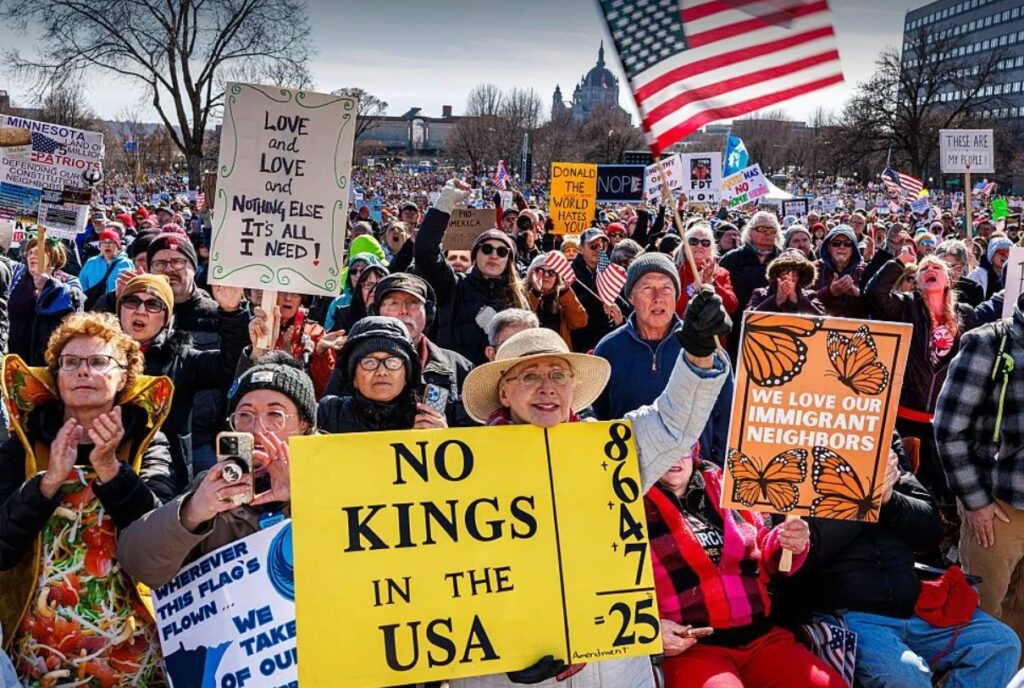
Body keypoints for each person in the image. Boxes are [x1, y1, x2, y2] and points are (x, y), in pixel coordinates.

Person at [450, 287, 730, 688]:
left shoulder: (608, 451)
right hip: (505, 675)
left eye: (558, 375)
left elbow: (671, 424)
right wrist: (502, 645)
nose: (548, 387)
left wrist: (699, 354)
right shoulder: (460, 471)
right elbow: (444, 576)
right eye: (530, 375)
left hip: (613, 671)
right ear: (504, 390)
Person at [0, 312, 176, 685]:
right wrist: (47, 484)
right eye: (70, 363)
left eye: (99, 361)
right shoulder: (23, 445)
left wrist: (111, 469)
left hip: (131, 651)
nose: (83, 371)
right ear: (56, 376)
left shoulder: (148, 442)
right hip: (36, 652)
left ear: (124, 376)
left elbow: (163, 543)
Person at [774, 445, 1020, 688]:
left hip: (913, 607)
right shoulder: (790, 447)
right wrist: (865, 500)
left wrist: (890, 500)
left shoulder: (880, 440)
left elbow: (930, 531)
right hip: (847, 615)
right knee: (908, 675)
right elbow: (803, 553)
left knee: (1000, 643)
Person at [648, 444, 845, 688]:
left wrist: (790, 541)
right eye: (665, 448)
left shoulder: (729, 486)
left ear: (695, 448)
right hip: (694, 648)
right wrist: (651, 628)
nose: (675, 457)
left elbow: (766, 549)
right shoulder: (629, 506)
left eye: (684, 447)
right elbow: (615, 585)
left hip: (761, 637)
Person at [116, 353, 316, 587]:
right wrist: (191, 512)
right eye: (245, 415)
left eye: (275, 415)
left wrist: (304, 500)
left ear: (304, 423)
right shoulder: (213, 485)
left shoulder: (338, 477)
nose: (257, 428)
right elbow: (140, 566)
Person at [935, 300, 1024, 652]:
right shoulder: (990, 342)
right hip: (997, 509)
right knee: (981, 623)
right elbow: (948, 429)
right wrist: (975, 503)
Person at [865, 233, 977, 505]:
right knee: (912, 480)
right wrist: (899, 262)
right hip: (907, 413)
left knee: (945, 482)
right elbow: (873, 294)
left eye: (937, 267)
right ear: (916, 282)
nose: (930, 270)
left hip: (945, 416)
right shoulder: (906, 307)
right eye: (924, 268)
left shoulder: (966, 315)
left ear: (949, 280)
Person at [595, 253, 734, 466]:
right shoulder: (609, 349)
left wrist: (716, 469)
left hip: (691, 477)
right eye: (647, 288)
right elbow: (599, 418)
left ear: (677, 295)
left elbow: (725, 416)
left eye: (666, 288)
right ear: (631, 296)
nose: (658, 297)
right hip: (631, 477)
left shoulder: (703, 346)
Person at [118, 274, 249, 492]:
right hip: (109, 466)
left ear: (166, 317)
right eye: (131, 301)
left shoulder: (182, 359)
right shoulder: (97, 356)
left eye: (153, 304)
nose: (140, 310)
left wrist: (231, 313)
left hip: (167, 475)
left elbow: (231, 367)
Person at [147, 232, 238, 474]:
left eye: (178, 262)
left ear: (193, 267)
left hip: (203, 441)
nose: (169, 270)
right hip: (147, 439)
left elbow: (232, 369)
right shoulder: (137, 312)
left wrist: (232, 315)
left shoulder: (217, 313)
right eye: (159, 263)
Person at [414, 181, 529, 364]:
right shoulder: (454, 286)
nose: (493, 255)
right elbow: (424, 250)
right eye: (487, 249)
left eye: (501, 251)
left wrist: (496, 330)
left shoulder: (518, 298)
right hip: (455, 378)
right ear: (475, 255)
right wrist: (445, 202)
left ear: (509, 260)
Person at [317, 316, 447, 433]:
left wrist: (441, 438)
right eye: (369, 362)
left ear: (407, 375)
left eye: (393, 362)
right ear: (354, 378)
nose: (382, 372)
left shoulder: (427, 417)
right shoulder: (327, 414)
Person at [247, 291, 342, 399]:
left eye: (295, 294)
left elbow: (324, 388)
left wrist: (321, 354)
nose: (288, 298)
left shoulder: (315, 333)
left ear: (302, 299)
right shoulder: (258, 327)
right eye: (283, 292)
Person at [8, 233, 85, 365]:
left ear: (53, 255)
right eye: (30, 252)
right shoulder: (18, 275)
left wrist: (49, 286)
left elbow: (76, 303)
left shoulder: (68, 280)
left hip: (46, 360)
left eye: (38, 252)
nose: (32, 255)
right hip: (13, 355)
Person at [570, 227, 631, 353]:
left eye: (602, 245)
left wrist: (620, 320)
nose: (598, 250)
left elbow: (627, 308)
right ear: (580, 249)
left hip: (608, 343)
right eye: (593, 246)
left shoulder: (611, 272)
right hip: (581, 346)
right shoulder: (570, 274)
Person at [676, 221, 739, 319]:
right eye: (693, 241)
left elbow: (731, 306)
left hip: (712, 331)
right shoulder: (675, 271)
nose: (699, 246)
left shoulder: (722, 273)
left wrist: (711, 282)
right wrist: (694, 286)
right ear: (685, 246)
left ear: (711, 249)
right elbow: (671, 305)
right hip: (682, 330)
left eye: (705, 243)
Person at [525, 255, 588, 347]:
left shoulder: (562, 297)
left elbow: (580, 322)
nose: (546, 276)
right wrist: (535, 292)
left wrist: (565, 292)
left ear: (557, 277)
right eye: (541, 271)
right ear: (531, 275)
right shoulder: (521, 294)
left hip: (557, 352)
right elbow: (522, 322)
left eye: (551, 272)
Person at [748, 250, 826, 315]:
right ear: (777, 274)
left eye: (794, 273)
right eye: (785, 272)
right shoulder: (759, 293)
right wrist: (776, 300)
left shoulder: (810, 296)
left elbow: (822, 319)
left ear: (800, 276)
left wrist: (797, 300)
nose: (789, 277)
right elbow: (748, 318)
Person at [814, 224, 866, 318]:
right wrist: (829, 292)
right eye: (836, 243)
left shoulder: (864, 271)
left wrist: (859, 295)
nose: (842, 247)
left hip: (856, 329)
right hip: (822, 328)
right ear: (829, 248)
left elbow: (877, 305)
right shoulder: (815, 269)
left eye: (847, 243)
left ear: (853, 249)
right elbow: (804, 302)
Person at [326, 262, 388, 335]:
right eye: (368, 285)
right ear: (360, 289)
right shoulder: (344, 315)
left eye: (379, 285)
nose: (373, 291)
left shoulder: (393, 315)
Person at [79, 228, 133, 308]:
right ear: (100, 246)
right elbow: (81, 285)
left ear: (117, 246)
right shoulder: (91, 262)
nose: (107, 245)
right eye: (103, 242)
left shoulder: (126, 263)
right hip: (93, 308)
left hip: (116, 307)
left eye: (111, 242)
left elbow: (131, 287)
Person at [938, 239, 985, 308]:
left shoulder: (974, 290)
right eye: (941, 265)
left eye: (951, 266)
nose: (946, 270)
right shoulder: (929, 285)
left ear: (962, 267)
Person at [968, 236, 1012, 300]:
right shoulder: (977, 274)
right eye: (1001, 251)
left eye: (1008, 251)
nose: (1005, 255)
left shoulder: (1017, 275)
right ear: (991, 254)